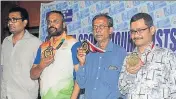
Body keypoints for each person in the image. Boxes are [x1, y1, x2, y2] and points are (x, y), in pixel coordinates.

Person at [119, 13, 176, 99]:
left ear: (152, 30)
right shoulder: (129, 58)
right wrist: (130, 74)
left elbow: (174, 90)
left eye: (140, 30)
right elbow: (122, 90)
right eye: (133, 31)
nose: (136, 35)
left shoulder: (166, 55)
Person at [30, 10, 80, 99]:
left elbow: (80, 77)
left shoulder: (73, 44)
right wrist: (41, 65)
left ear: (64, 25)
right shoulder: (43, 46)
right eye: (49, 22)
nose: (51, 24)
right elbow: (33, 75)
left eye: (55, 21)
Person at [76, 13, 127, 99]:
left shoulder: (120, 53)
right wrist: (82, 64)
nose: (97, 30)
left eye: (101, 26)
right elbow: (81, 84)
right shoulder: (88, 52)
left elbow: (126, 86)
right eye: (95, 27)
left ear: (110, 30)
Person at [1, 6, 41, 99]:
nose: (10, 22)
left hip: (25, 95)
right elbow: (2, 68)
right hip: (5, 94)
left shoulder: (36, 43)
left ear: (25, 22)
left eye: (14, 19)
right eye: (9, 19)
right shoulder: (5, 42)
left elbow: (39, 72)